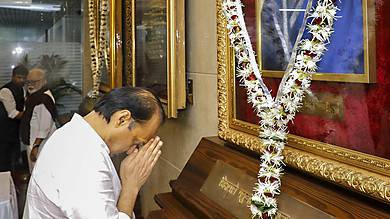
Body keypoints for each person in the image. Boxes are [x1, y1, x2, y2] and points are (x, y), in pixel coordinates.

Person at [23, 87, 165, 219]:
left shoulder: (74, 133)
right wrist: (131, 187)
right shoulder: (84, 160)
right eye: (135, 141)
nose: (130, 151)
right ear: (122, 119)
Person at [20, 68, 57, 172]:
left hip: (41, 145)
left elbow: (45, 127)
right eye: (28, 82)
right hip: (33, 142)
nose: (30, 85)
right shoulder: (34, 96)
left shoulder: (43, 99)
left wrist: (36, 147)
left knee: (40, 173)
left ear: (44, 81)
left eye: (34, 81)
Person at [0, 65, 28, 171]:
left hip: (13, 131)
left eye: (23, 78)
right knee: (4, 162)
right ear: (12, 76)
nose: (21, 80)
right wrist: (30, 115)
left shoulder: (22, 89)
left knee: (14, 161)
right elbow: (13, 114)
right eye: (19, 77)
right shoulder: (5, 91)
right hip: (3, 132)